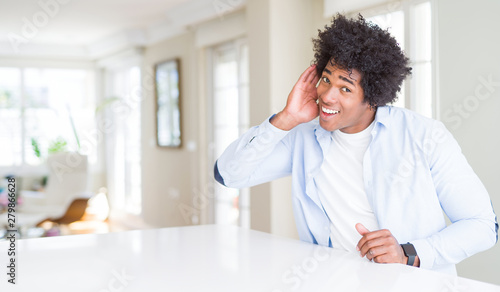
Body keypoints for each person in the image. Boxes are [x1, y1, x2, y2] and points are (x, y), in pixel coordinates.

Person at [214, 14, 498, 275]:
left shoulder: (424, 136)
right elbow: (228, 174)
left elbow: (483, 226)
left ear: (373, 96)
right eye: (325, 79)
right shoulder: (302, 138)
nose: (327, 96)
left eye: (345, 88)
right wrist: (286, 119)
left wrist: (407, 253)